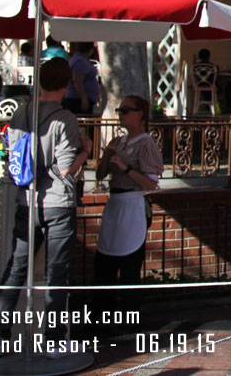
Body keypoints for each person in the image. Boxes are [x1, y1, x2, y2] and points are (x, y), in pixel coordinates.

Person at [0, 58, 91, 354]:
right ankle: (54, 340)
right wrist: (85, 151)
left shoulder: (21, 114)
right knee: (56, 273)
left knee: (16, 267)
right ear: (66, 83)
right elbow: (65, 169)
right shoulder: (65, 119)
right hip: (58, 203)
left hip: (27, 200)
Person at [94, 95, 161, 315]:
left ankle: (128, 317)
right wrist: (106, 157)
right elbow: (100, 174)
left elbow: (151, 183)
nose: (121, 115)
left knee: (130, 265)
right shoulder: (118, 141)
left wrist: (125, 168)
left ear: (139, 113)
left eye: (126, 110)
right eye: (119, 110)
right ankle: (103, 315)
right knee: (104, 264)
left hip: (132, 204)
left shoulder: (146, 144)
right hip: (114, 204)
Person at [63, 42, 99, 115]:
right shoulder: (79, 61)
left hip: (83, 98)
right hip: (77, 100)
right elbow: (77, 80)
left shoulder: (81, 59)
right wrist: (84, 98)